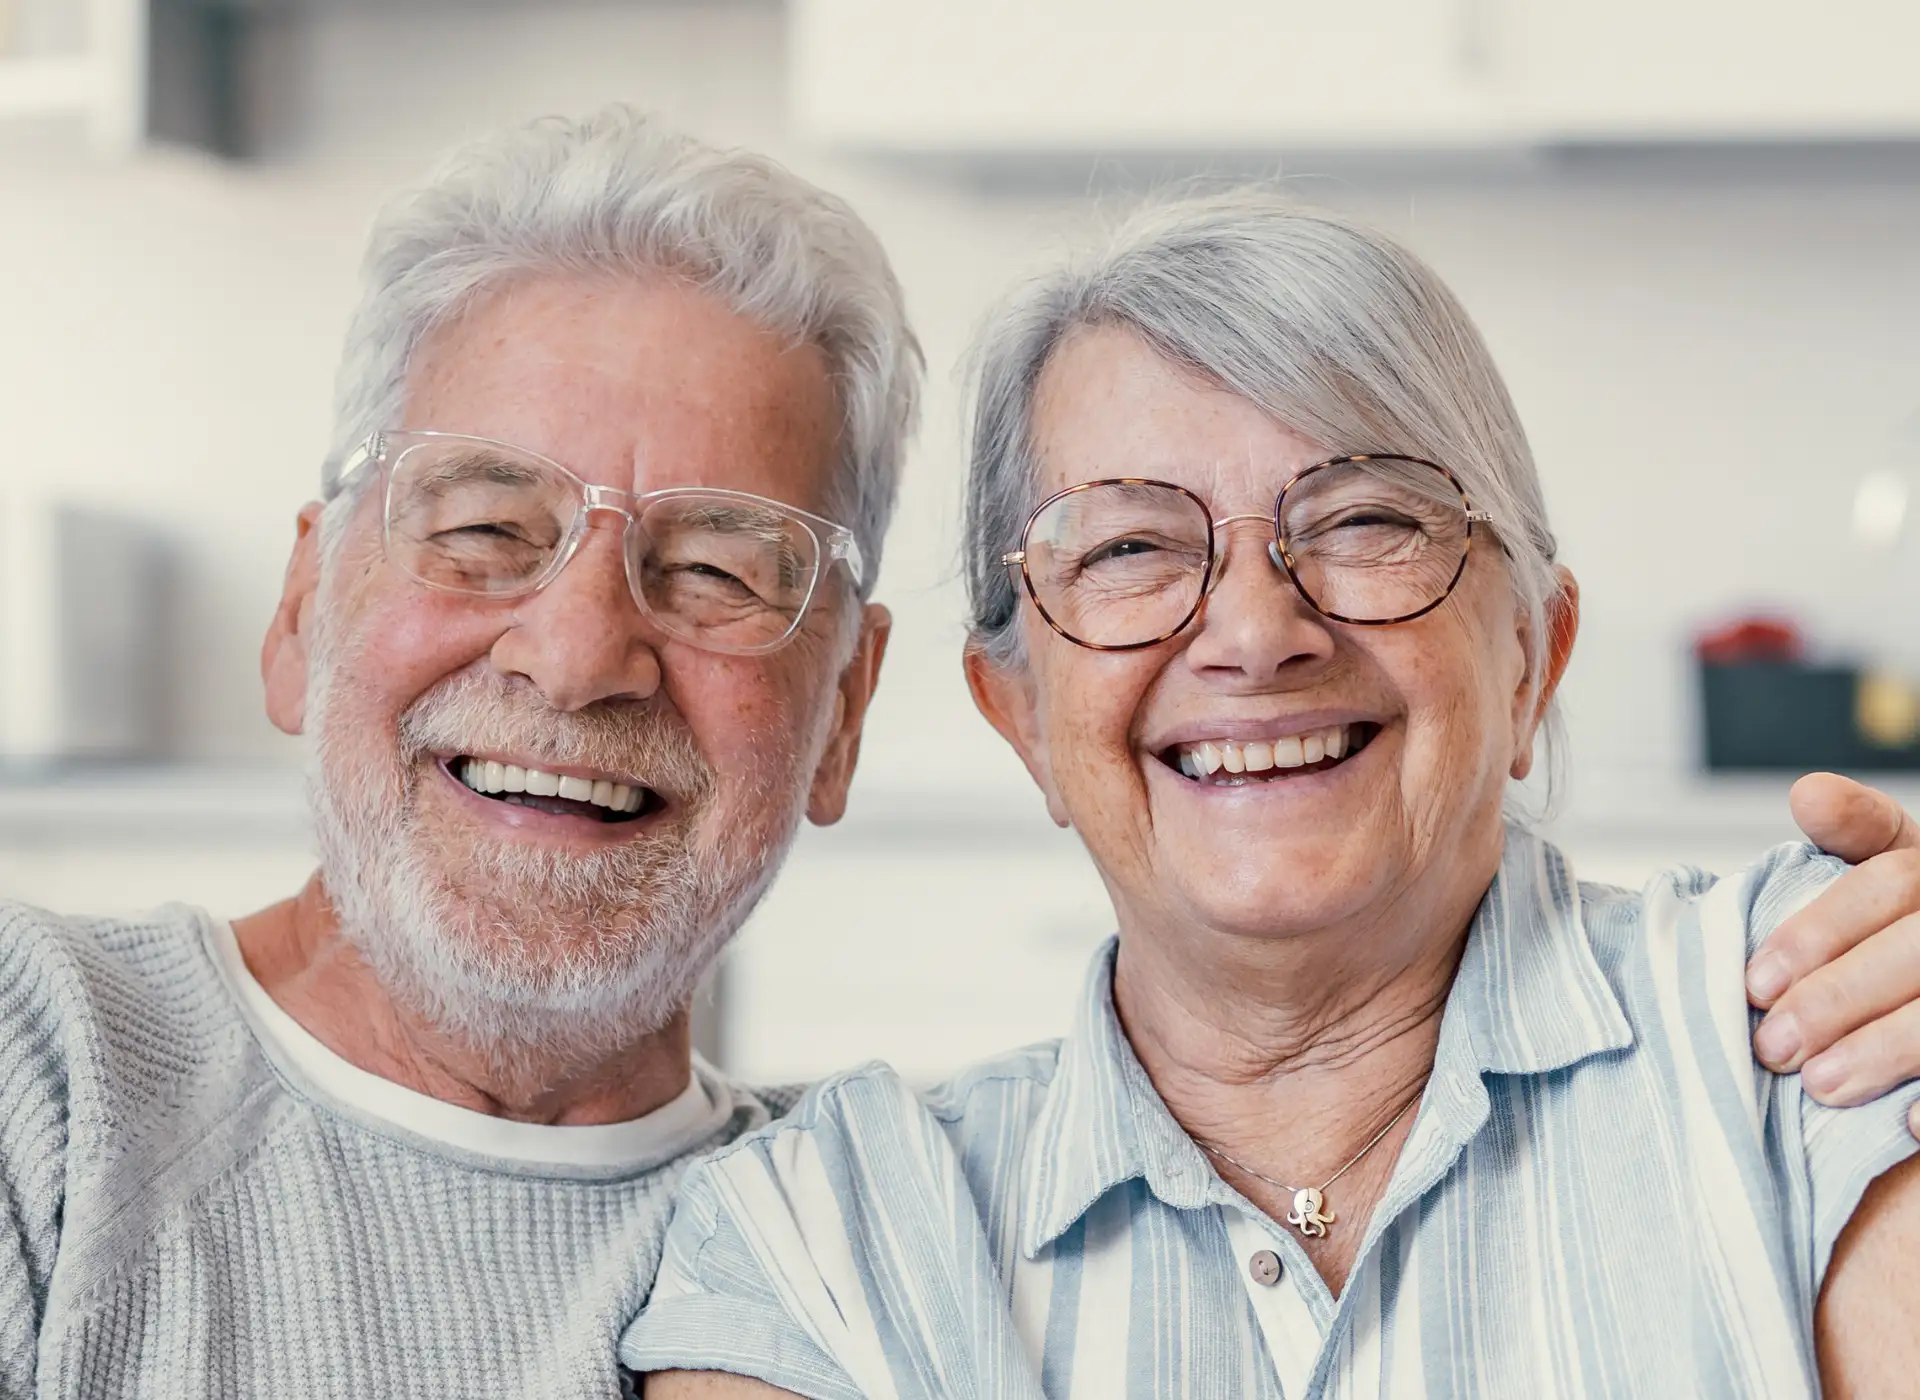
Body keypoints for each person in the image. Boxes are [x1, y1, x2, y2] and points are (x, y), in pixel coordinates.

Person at [629, 192, 1920, 1399]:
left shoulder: (1818, 1016)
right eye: (1129, 545)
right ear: (1018, 715)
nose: (1255, 632)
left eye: (1365, 522)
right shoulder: (821, 1233)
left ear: (1532, 656)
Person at [0, 107, 919, 1397]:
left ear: (844, 714)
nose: (580, 652)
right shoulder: (35, 1063)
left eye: (715, 565)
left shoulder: (870, 1246)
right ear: (302, 610)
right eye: (486, 523)